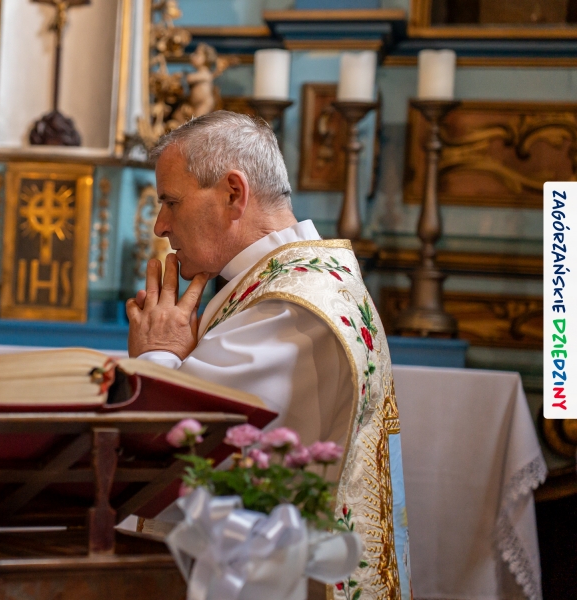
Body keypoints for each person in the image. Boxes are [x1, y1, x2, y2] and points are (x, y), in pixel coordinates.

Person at [126, 111, 411, 600]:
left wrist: (156, 358)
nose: (160, 225)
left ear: (233, 194)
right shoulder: (306, 280)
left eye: (170, 202)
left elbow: (186, 460)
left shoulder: (289, 309)